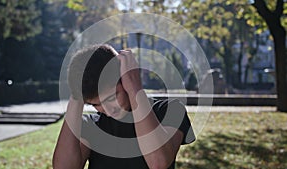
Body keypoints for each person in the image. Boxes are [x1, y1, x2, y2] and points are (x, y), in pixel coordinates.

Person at [53, 44, 195, 169]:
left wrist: (135, 88)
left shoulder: (170, 110)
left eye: (112, 97)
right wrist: (76, 95)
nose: (108, 111)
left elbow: (158, 163)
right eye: (96, 104)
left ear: (125, 79)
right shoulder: (90, 125)